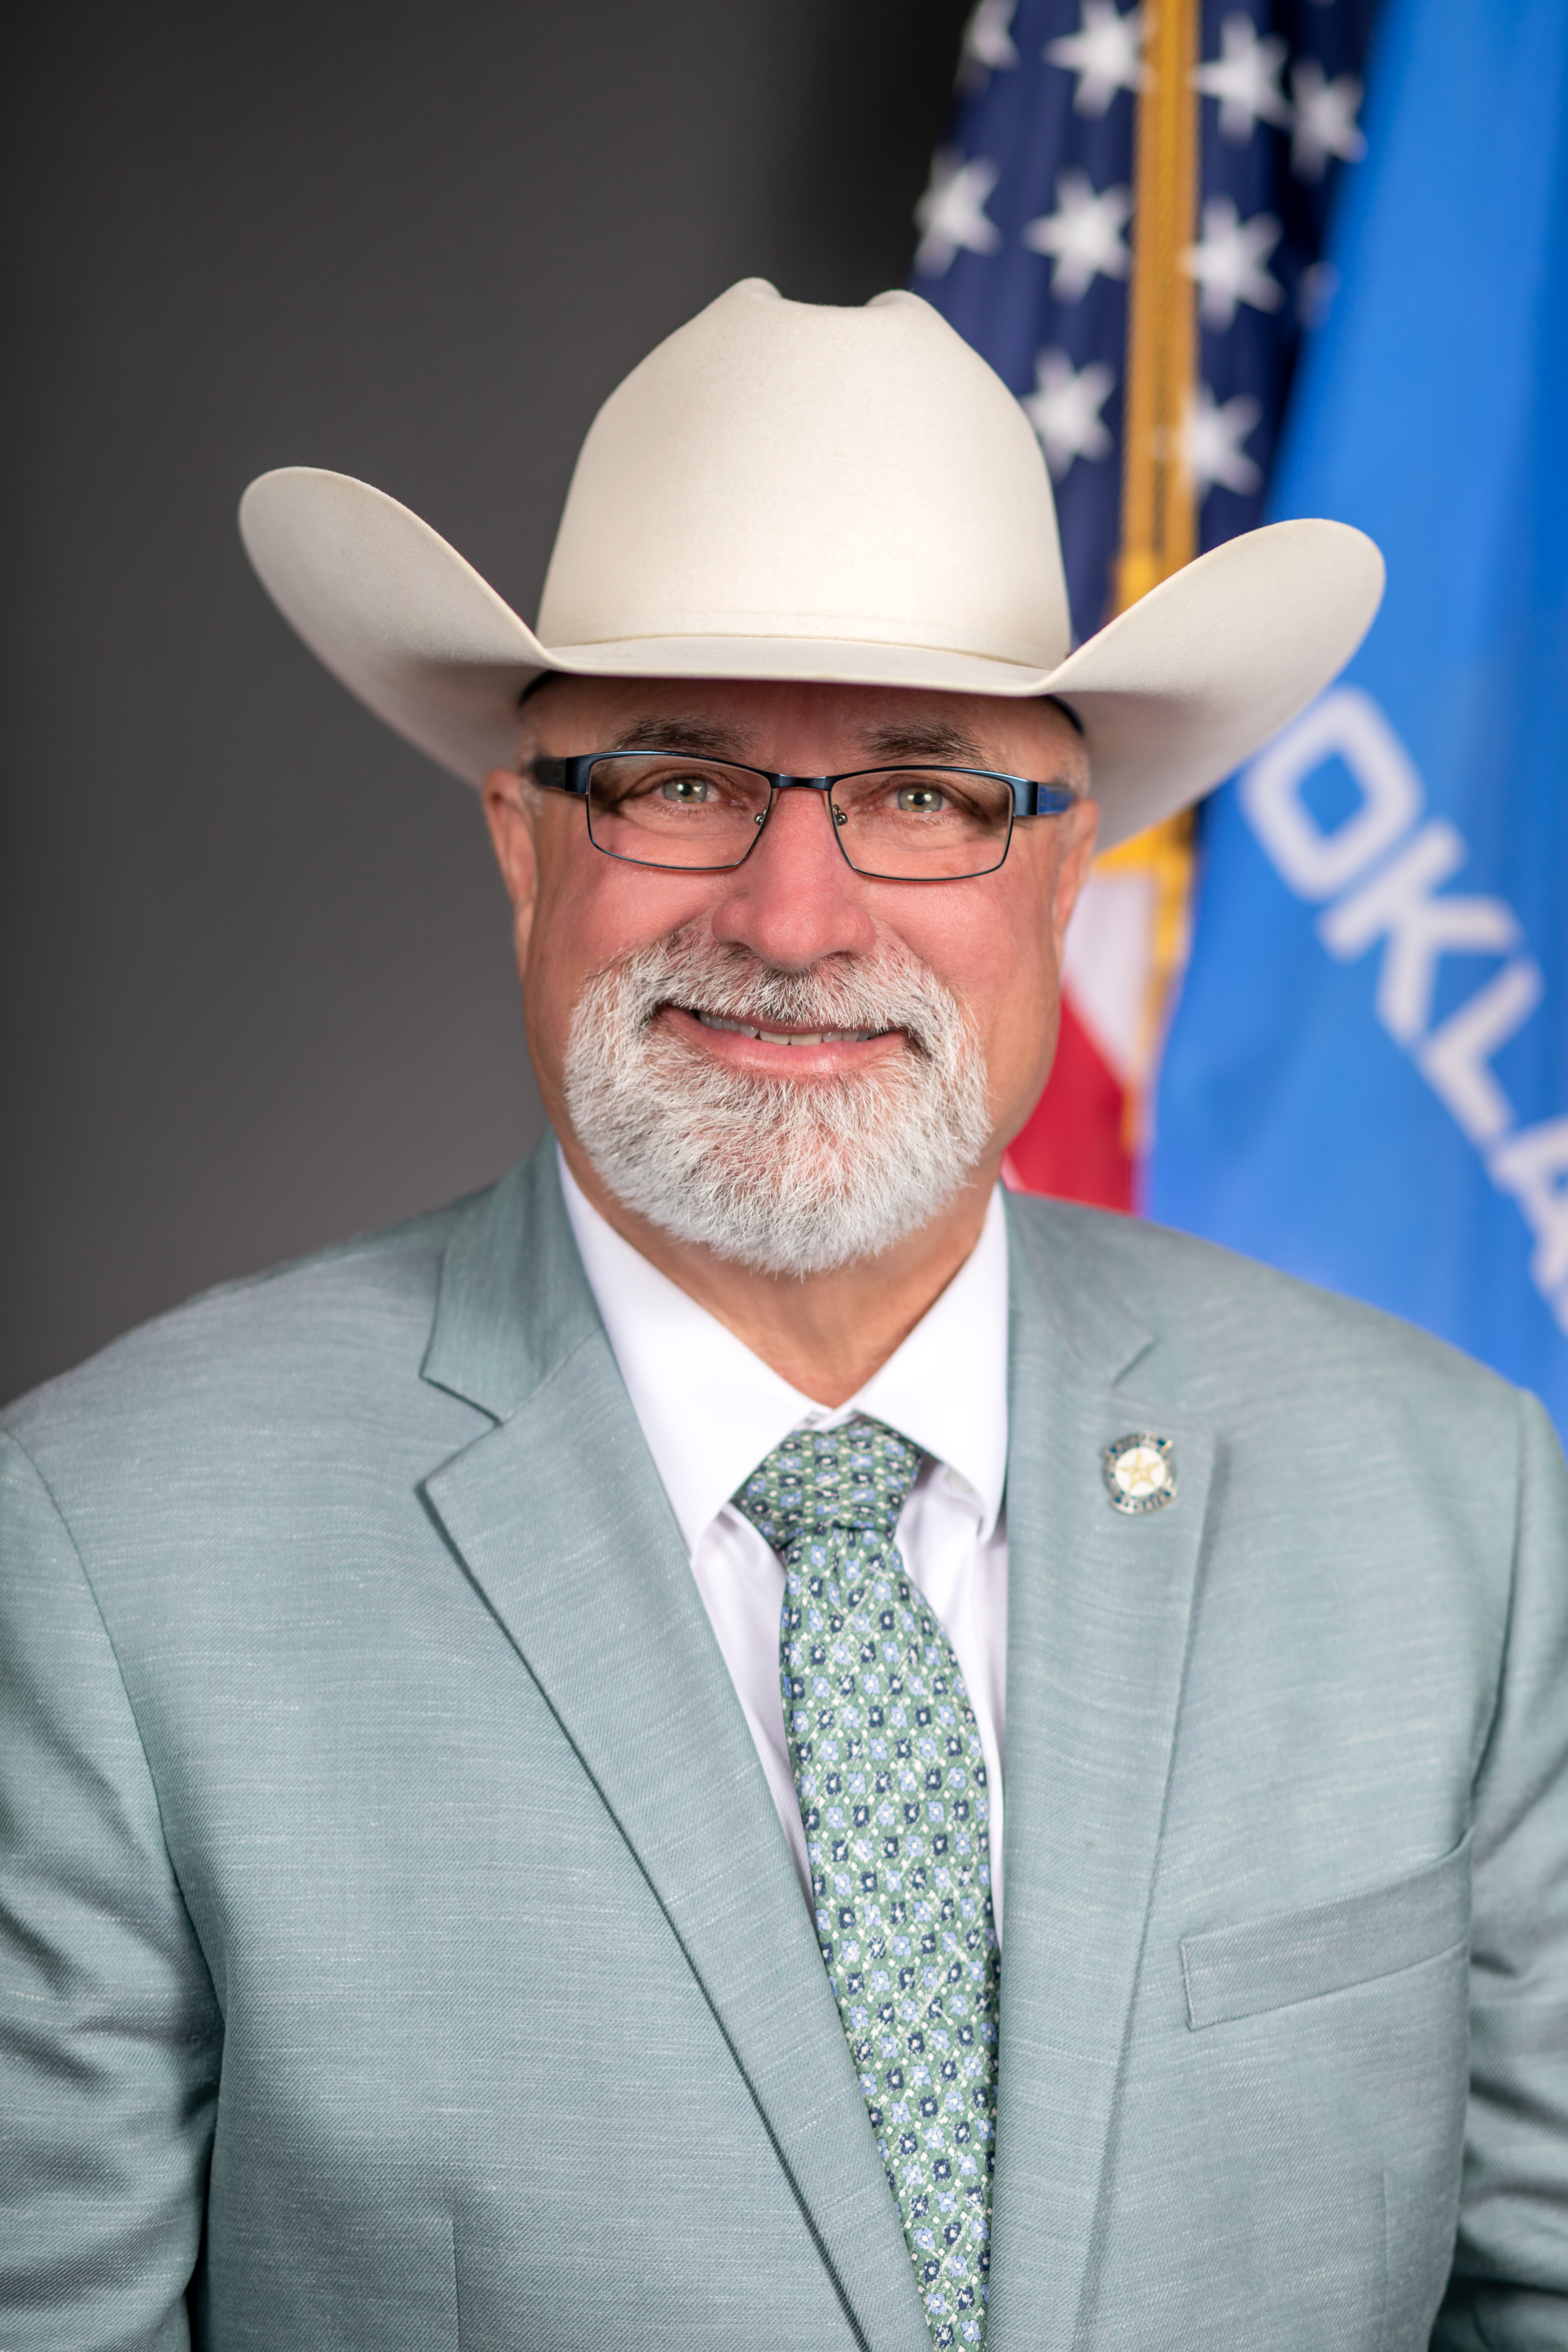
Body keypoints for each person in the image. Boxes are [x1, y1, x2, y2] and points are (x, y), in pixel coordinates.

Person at [1, 280, 1564, 2351]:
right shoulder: (115, 1552)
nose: (795, 918)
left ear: (1065, 862)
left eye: (924, 794)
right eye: (676, 780)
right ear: (521, 839)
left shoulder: (1449, 1507)